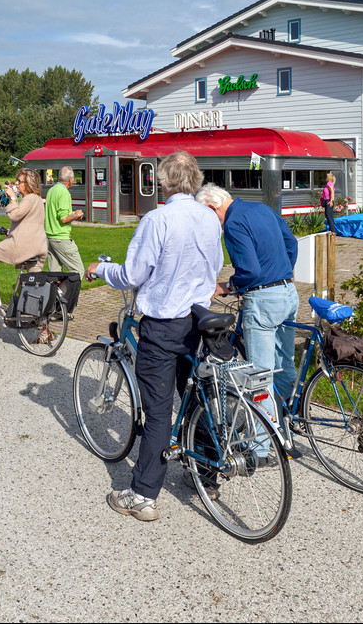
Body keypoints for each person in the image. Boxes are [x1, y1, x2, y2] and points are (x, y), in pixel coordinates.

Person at [85, 151, 222, 522]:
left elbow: (132, 274)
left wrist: (100, 269)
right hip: (199, 319)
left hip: (163, 322)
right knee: (195, 395)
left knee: (159, 409)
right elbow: (215, 265)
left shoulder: (158, 219)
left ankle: (143, 493)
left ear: (164, 182)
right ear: (195, 180)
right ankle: (206, 474)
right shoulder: (210, 218)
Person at [197, 183, 299, 445]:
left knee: (260, 376)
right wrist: (282, 271)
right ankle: (288, 422)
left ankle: (262, 447)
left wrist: (227, 286)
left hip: (263, 298)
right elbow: (291, 244)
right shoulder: (262, 208)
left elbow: (250, 271)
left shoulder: (233, 223)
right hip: (289, 293)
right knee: (284, 363)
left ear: (212, 207)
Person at [0, 169, 47, 315]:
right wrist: (12, 230)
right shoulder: (38, 199)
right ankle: (43, 326)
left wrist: (13, 199)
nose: (17, 184)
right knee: (35, 286)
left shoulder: (29, 198)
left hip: (22, 246)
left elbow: (15, 215)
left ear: (28, 184)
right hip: (39, 247)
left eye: (19, 181)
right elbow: (29, 221)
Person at [44, 166, 85, 277]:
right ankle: (70, 294)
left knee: (54, 274)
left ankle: (56, 294)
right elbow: (63, 219)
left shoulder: (52, 190)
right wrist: (76, 215)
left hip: (49, 237)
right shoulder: (64, 192)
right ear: (71, 179)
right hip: (61, 238)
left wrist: (73, 213)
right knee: (78, 271)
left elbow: (58, 212)